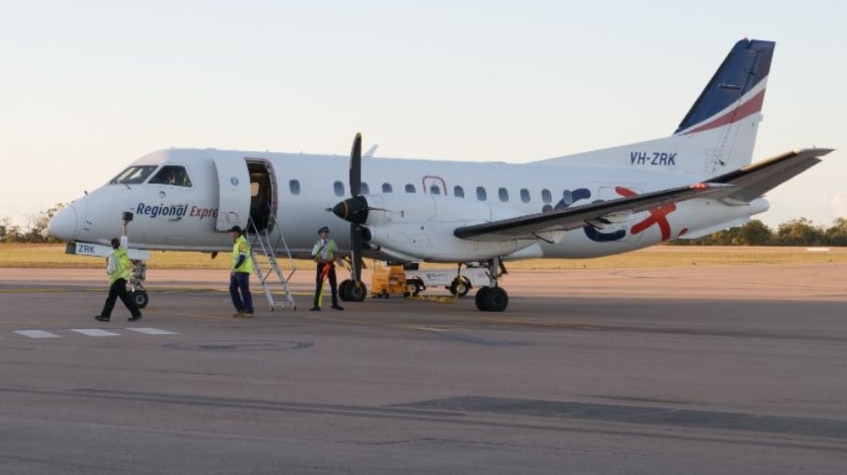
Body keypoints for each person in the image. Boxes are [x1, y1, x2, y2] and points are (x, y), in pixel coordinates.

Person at [95, 217, 142, 322]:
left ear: (111, 245)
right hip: (123, 277)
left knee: (124, 298)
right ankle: (105, 316)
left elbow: (111, 269)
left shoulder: (112, 255)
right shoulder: (123, 249)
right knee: (111, 298)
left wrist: (107, 270)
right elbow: (125, 236)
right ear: (119, 244)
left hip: (117, 280)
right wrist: (125, 225)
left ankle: (136, 313)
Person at [310, 226, 343, 311]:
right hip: (321, 266)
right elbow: (313, 257)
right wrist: (322, 260)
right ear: (320, 234)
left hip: (330, 265)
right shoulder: (317, 244)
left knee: (334, 285)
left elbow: (335, 253)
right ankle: (316, 305)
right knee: (319, 285)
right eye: (324, 233)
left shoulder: (332, 242)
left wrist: (337, 261)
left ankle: (335, 304)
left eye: (327, 233)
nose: (326, 234)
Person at [228, 225, 255, 317]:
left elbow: (242, 258)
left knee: (244, 290)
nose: (230, 234)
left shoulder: (242, 243)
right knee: (232, 289)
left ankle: (249, 310)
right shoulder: (236, 242)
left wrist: (235, 268)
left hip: (243, 271)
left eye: (232, 232)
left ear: (237, 233)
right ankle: (240, 309)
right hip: (237, 270)